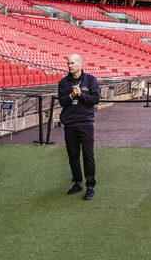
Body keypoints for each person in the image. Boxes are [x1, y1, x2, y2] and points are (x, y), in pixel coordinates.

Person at [57, 54, 101, 200]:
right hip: (70, 124)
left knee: (88, 156)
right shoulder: (63, 82)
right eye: (68, 63)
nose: (69, 66)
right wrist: (71, 95)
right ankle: (77, 182)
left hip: (85, 123)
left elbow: (95, 99)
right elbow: (62, 101)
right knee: (73, 156)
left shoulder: (91, 80)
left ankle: (90, 186)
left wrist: (81, 94)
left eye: (73, 63)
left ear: (81, 64)